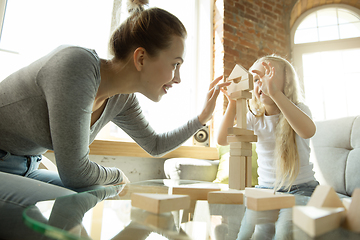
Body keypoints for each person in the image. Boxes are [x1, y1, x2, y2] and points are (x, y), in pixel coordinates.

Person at [0, 1, 229, 238]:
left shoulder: (122, 99)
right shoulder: (77, 66)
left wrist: (202, 118)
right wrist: (118, 175)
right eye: (175, 64)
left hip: (27, 166)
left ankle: (150, 227)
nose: (178, 78)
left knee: (95, 193)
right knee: (72, 203)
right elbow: (75, 173)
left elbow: (155, 145)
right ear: (140, 58)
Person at [216, 55, 319, 239]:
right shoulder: (254, 116)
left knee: (284, 232)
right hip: (265, 189)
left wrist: (276, 94)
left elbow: (308, 131)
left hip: (302, 189)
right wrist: (232, 103)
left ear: (286, 83)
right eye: (256, 79)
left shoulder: (299, 109)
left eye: (267, 75)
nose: (260, 83)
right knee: (249, 234)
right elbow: (223, 139)